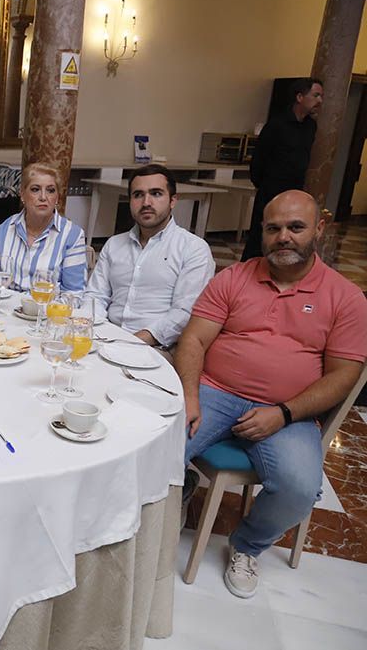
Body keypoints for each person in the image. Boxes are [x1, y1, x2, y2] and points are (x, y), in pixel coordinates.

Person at [177, 190, 367, 598]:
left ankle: (246, 545)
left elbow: (343, 375)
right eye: (274, 228)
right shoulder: (234, 277)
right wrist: (190, 397)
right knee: (159, 445)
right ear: (262, 231)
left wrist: (283, 413)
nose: (284, 236)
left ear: (319, 229)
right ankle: (157, 516)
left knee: (300, 487)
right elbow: (193, 340)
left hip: (290, 412)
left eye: (296, 227)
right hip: (216, 391)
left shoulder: (346, 298)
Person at [85, 163, 215, 348]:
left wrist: (131, 342)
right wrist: (94, 331)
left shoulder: (193, 249)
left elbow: (184, 312)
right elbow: (95, 296)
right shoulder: (114, 244)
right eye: (138, 195)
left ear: (172, 200)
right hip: (106, 339)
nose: (146, 202)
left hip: (156, 348)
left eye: (156, 193)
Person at [242, 77, 324, 261]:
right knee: (260, 235)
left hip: (295, 192)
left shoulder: (310, 126)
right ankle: (247, 276)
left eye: (321, 96)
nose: (320, 100)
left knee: (290, 237)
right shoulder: (277, 125)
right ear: (300, 97)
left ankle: (283, 270)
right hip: (271, 191)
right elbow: (258, 161)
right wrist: (265, 186)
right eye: (316, 95)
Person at [0, 162, 87, 291]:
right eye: (35, 189)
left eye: (50, 190)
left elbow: (74, 294)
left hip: (46, 308)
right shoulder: (4, 229)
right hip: (4, 307)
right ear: (23, 194)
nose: (43, 197)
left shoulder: (73, 235)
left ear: (57, 197)